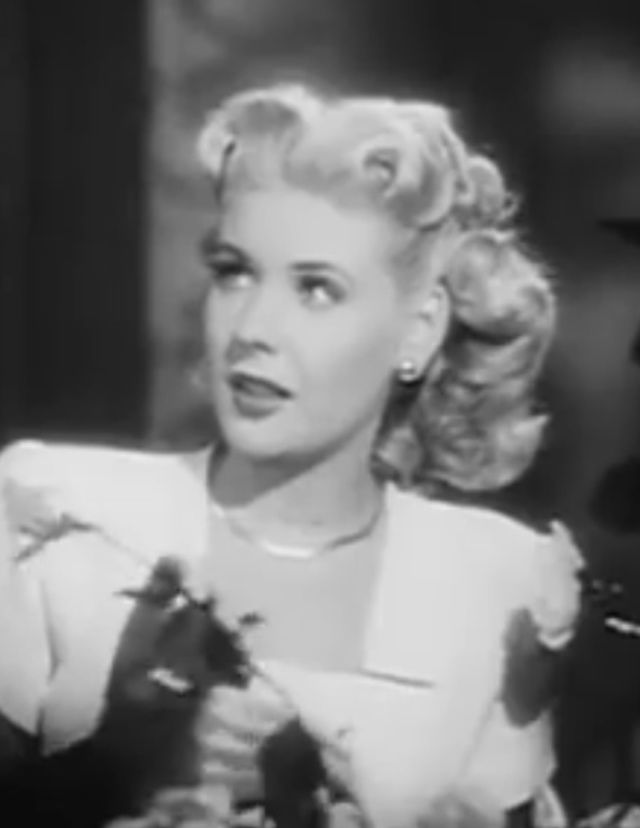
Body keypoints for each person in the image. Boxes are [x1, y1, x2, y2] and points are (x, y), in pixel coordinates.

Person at [0, 83, 582, 827]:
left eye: (316, 290)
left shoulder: (500, 581)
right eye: (234, 272)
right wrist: (123, 763)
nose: (252, 327)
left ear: (420, 328)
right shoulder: (56, 513)